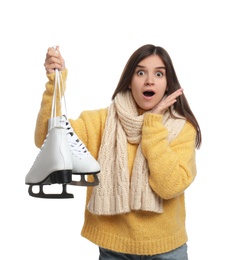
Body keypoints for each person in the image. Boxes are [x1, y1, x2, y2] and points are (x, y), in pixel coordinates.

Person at [37, 44, 201, 259]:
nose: (149, 80)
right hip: (114, 250)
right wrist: (54, 83)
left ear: (168, 84)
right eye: (140, 72)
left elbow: (169, 187)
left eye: (159, 74)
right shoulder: (101, 122)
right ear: (129, 81)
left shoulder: (182, 128)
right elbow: (47, 140)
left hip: (167, 250)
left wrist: (152, 124)